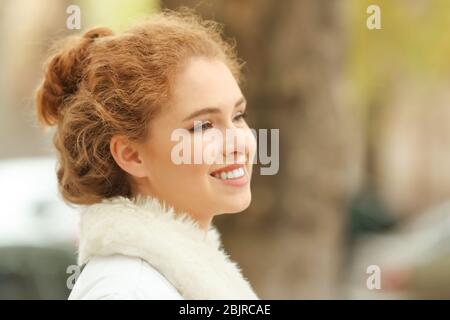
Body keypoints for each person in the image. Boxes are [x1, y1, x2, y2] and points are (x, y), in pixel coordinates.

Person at [34, 9, 258, 300]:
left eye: (238, 115)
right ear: (131, 155)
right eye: (203, 126)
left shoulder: (167, 278)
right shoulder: (126, 291)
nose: (238, 141)